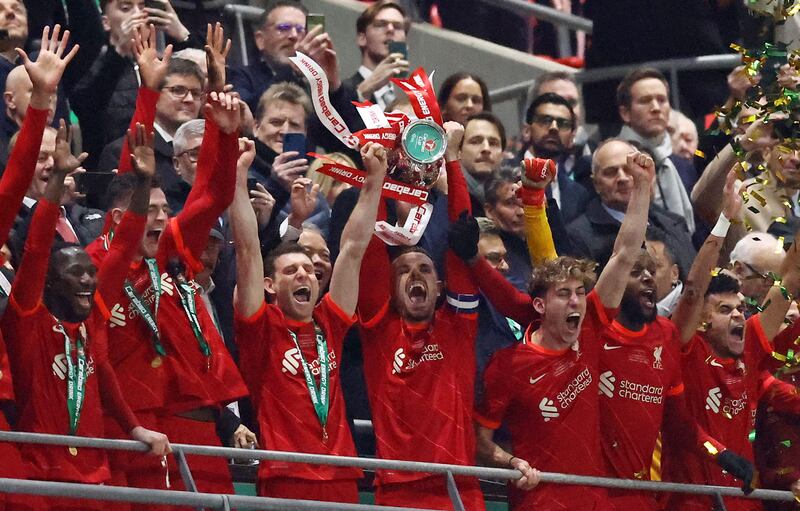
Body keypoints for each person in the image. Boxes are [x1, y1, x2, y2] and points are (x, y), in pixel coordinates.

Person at [470, 150, 655, 510]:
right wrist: (511, 462)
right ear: (539, 305)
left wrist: (643, 186)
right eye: (564, 294)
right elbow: (480, 440)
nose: (576, 302)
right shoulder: (508, 365)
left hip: (595, 500)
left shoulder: (589, 330)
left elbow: (625, 252)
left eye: (580, 293)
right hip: (539, 502)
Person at [85, 88, 248, 499]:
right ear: (123, 217)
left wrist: (224, 136)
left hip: (176, 419)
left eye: (165, 210)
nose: (163, 218)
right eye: (152, 210)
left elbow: (213, 197)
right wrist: (148, 92)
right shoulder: (91, 266)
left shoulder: (162, 256)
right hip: (119, 423)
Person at [2, 117, 170, 510]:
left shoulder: (90, 320)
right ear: (47, 283)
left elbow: (126, 243)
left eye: (91, 272)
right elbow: (37, 246)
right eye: (75, 273)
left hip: (98, 477)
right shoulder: (28, 318)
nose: (88, 281)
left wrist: (144, 183)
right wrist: (59, 177)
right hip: (45, 477)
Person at [232, 139, 386, 502]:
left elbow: (352, 250)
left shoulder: (329, 323)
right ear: (269, 285)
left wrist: (374, 182)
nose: (305, 275)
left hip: (341, 476)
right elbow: (248, 247)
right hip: (286, 476)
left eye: (309, 270)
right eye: (291, 270)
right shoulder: (261, 326)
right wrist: (238, 177)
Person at [355, 122, 486, 509]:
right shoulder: (379, 328)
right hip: (397, 492)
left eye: (426, 269)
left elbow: (462, 235)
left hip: (458, 489)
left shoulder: (458, 327)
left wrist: (454, 159)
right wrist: (375, 178)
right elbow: (369, 248)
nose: (414, 276)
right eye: (404, 272)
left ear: (442, 286)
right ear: (390, 289)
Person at [661, 171, 800, 510]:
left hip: (747, 503)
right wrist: (724, 219)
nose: (739, 314)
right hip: (694, 504)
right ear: (703, 321)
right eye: (725, 309)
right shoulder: (686, 351)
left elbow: (791, 277)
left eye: (740, 308)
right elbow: (693, 291)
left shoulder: (750, 343)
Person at [566, 138, 696, 273]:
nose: (622, 178)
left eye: (629, 169)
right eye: (611, 172)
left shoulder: (673, 223)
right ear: (596, 184)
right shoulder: (578, 237)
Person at [616, 69, 696, 232]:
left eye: (662, 100)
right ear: (625, 113)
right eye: (645, 101)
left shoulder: (682, 164)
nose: (656, 108)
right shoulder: (614, 163)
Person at [517, 92, 590, 223]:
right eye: (545, 120)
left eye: (563, 123)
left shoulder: (579, 193)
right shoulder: (502, 174)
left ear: (572, 138)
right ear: (526, 130)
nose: (554, 128)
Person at [343, 0, 410, 109]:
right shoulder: (341, 91)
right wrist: (363, 92)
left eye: (397, 26)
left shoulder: (407, 101)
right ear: (362, 38)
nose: (390, 29)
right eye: (381, 24)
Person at [459, 112, 506, 216]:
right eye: (475, 141)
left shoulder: (513, 199)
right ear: (459, 151)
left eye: (493, 143)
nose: (486, 148)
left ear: (502, 154)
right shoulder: (444, 195)